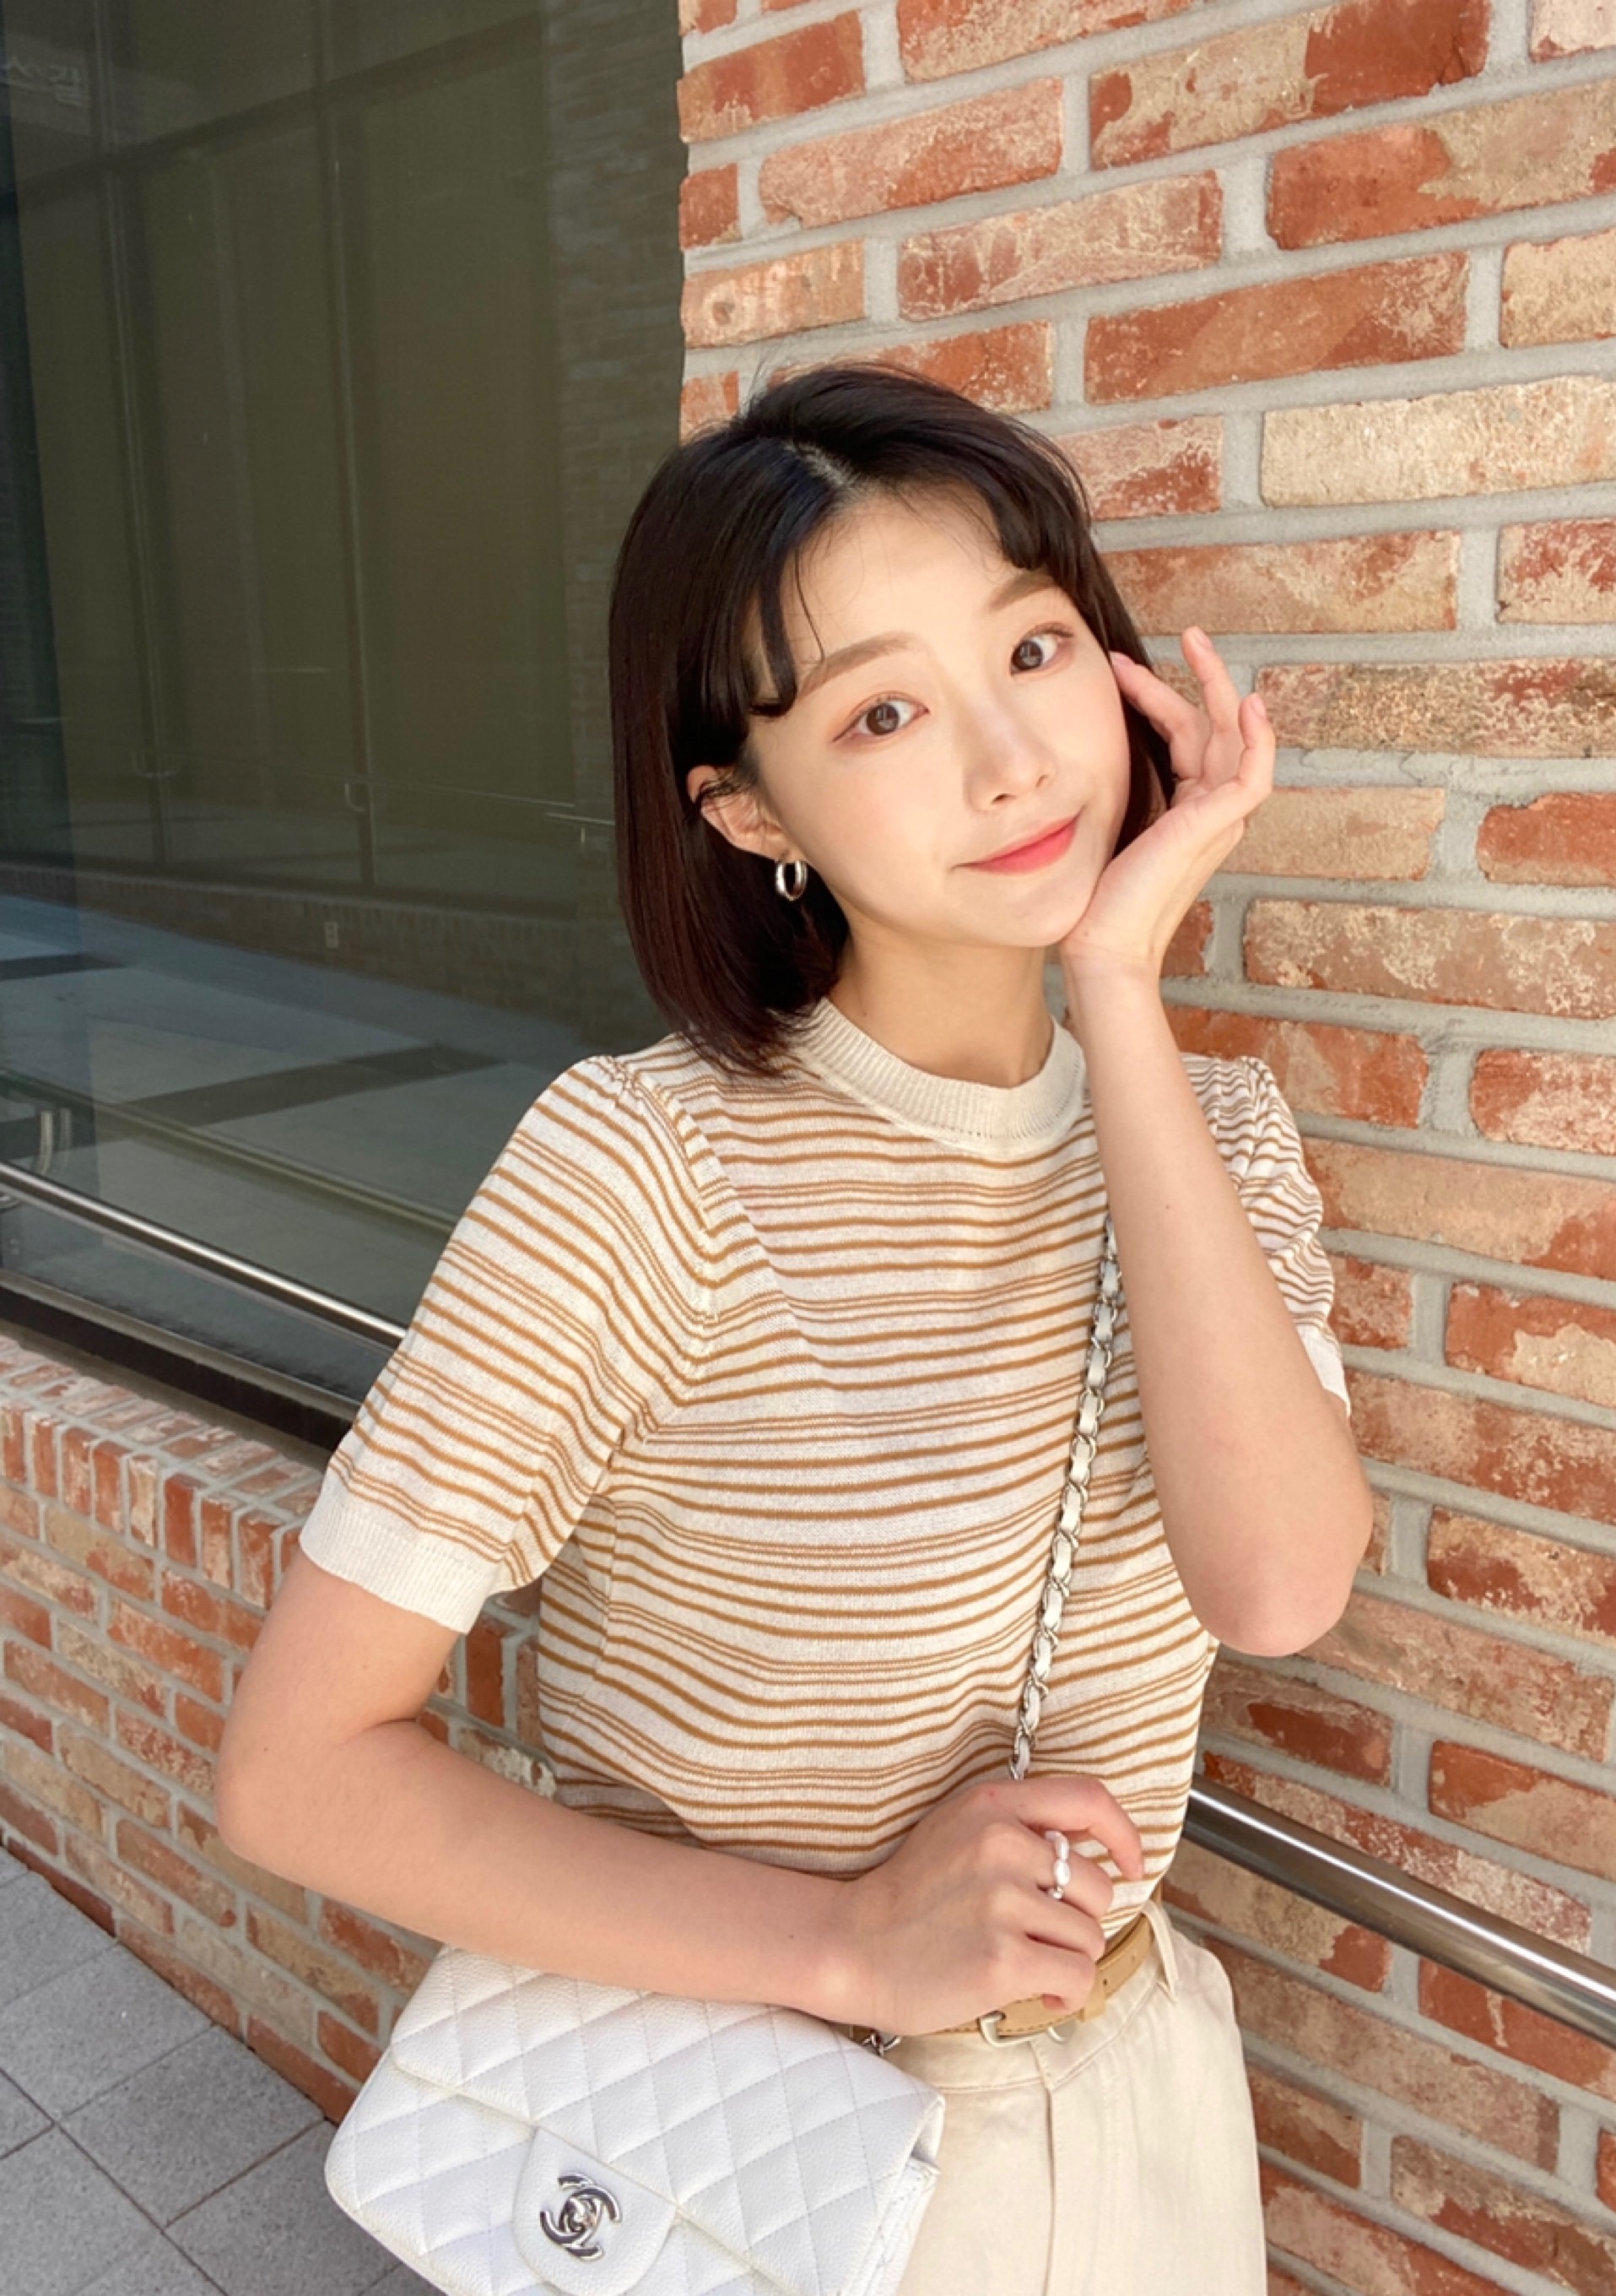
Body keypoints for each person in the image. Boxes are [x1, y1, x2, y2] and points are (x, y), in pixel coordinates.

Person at [214, 360, 1375, 2295]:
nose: (1013, 762)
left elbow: (1273, 1586)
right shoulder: (641, 1169)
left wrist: (1116, 987)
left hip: (1133, 2099)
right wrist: (849, 1941)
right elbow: (297, 1769)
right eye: (883, 712)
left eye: (1036, 649)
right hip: (750, 2125)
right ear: (749, 804)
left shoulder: (1219, 1133)